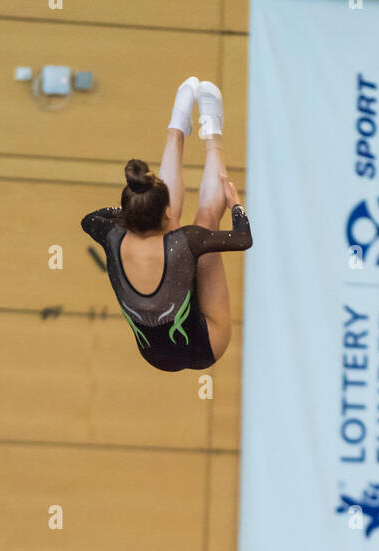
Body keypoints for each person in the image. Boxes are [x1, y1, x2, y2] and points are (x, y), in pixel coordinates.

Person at [81, 78, 252, 373]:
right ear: (165, 209)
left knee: (190, 233)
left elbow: (88, 220)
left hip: (155, 355)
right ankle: (210, 136)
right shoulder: (184, 240)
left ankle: (181, 130)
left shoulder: (112, 236)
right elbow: (242, 237)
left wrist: (129, 215)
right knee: (206, 223)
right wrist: (234, 203)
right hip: (206, 343)